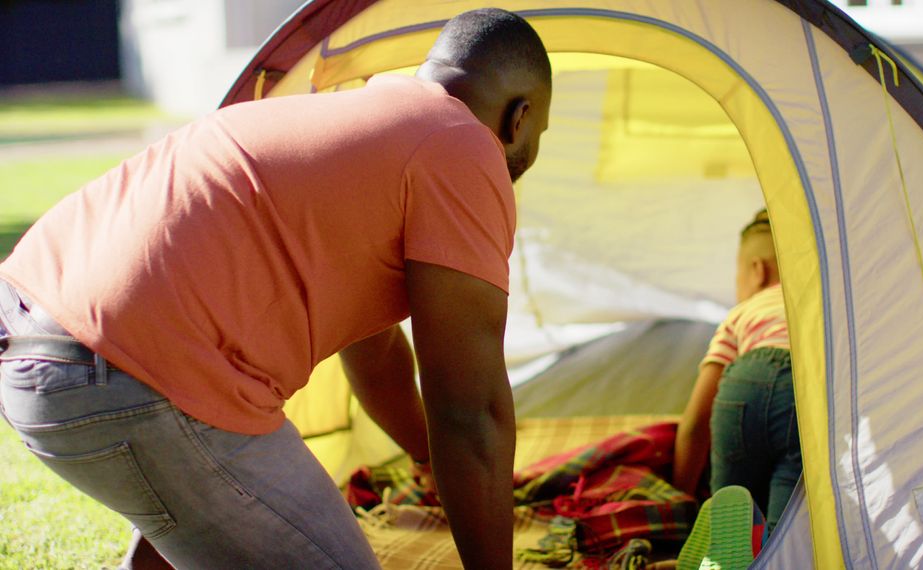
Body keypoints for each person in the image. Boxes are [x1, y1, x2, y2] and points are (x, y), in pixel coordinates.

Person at [0, 7, 550, 569]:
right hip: (129, 377)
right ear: (520, 118)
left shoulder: (360, 119)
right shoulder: (463, 147)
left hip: (29, 329)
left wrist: (426, 460)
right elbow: (471, 408)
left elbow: (377, 355)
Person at [671, 209, 800, 533]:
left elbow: (695, 424)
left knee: (731, 509)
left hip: (742, 384)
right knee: (789, 519)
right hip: (799, 393)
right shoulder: (813, 304)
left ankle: (721, 534)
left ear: (757, 270)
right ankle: (777, 544)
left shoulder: (741, 313)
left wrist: (680, 499)